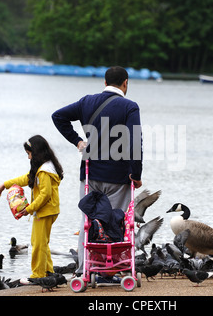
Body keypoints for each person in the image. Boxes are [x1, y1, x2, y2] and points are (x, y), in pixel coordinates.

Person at [51, 66, 143, 276]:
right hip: (118, 176)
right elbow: (135, 142)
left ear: (104, 82)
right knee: (114, 221)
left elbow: (58, 117)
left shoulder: (86, 102)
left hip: (89, 173)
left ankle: (85, 268)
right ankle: (110, 269)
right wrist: (136, 175)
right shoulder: (130, 107)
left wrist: (77, 141)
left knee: (87, 221)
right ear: (125, 83)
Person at [0, 135, 64, 281]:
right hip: (49, 210)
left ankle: (38, 275)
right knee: (42, 242)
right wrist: (5, 185)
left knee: (37, 244)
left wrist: (29, 208)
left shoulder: (44, 171)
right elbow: (26, 179)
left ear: (36, 152)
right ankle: (48, 272)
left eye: (29, 154)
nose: (28, 157)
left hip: (45, 211)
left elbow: (45, 194)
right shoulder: (44, 167)